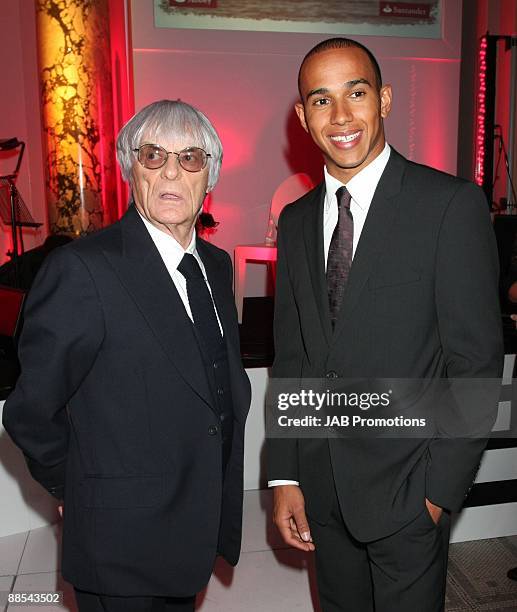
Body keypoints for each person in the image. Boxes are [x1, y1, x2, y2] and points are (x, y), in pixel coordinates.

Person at [267, 38, 503, 612]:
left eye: (357, 93)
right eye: (321, 101)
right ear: (302, 117)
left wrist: (437, 492)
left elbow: (474, 363)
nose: (341, 116)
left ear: (385, 99)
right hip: (322, 491)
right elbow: (293, 358)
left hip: (408, 493)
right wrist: (284, 476)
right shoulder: (295, 222)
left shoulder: (449, 206)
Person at [3, 99, 251, 612]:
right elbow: (30, 411)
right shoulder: (83, 270)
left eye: (190, 158)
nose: (170, 172)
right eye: (153, 154)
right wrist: (76, 484)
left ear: (211, 177)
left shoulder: (216, 265)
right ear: (129, 167)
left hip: (193, 523)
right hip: (119, 538)